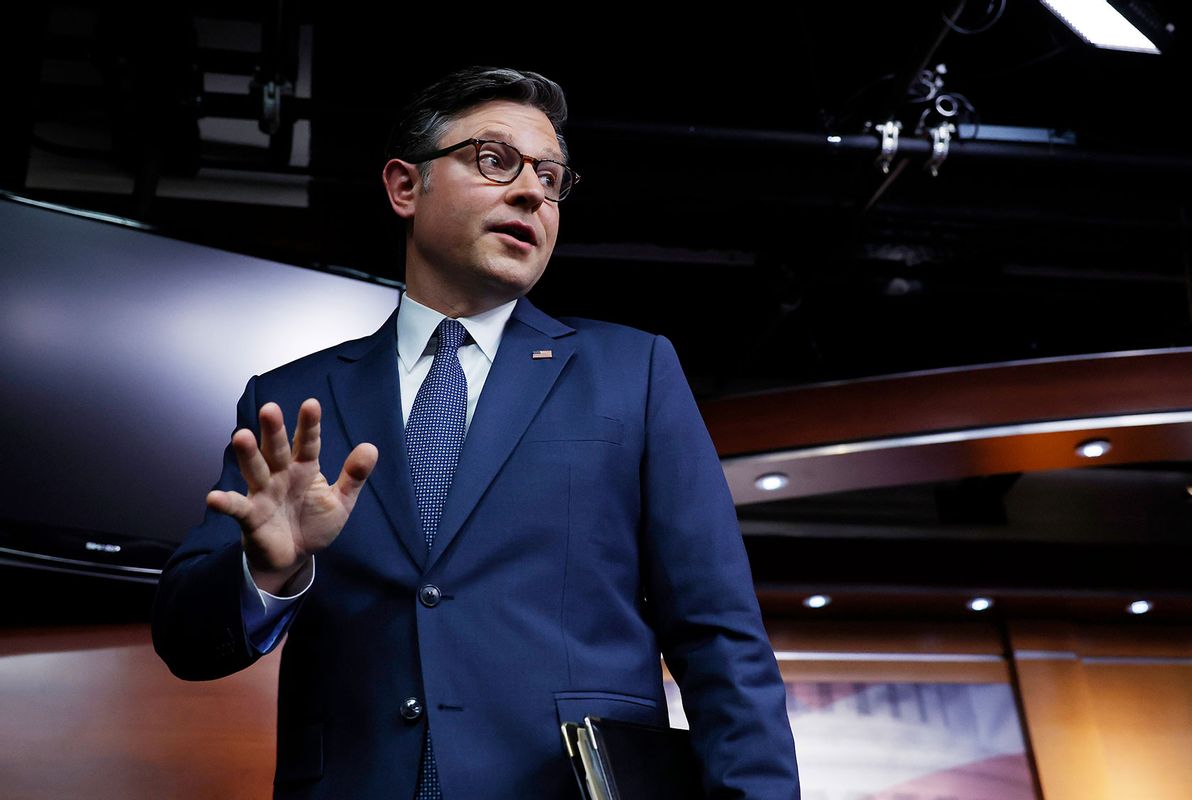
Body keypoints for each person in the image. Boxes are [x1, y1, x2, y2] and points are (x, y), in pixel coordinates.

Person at [152, 66, 800, 800]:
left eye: (551, 178)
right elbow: (185, 642)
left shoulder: (634, 373)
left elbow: (721, 639)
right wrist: (268, 572)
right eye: (495, 161)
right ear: (406, 187)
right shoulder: (292, 402)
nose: (532, 192)